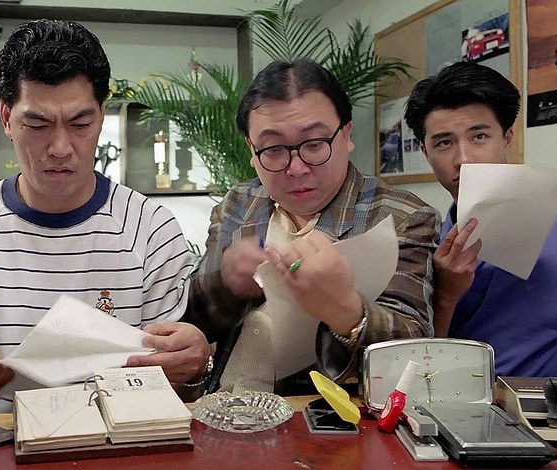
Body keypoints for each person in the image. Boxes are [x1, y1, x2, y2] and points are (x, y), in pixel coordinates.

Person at [0, 19, 210, 413]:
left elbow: (174, 390)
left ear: (101, 117)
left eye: (80, 125)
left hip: (120, 435)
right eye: (37, 125)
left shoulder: (150, 228)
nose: (60, 147)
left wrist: (191, 368)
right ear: (6, 118)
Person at [184, 58, 438, 395]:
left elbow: (415, 352)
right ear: (252, 149)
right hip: (222, 407)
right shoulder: (239, 205)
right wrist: (226, 282)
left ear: (346, 135)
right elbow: (193, 321)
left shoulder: (400, 216)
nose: (296, 168)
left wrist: (347, 310)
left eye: (315, 144)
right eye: (273, 149)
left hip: (320, 416)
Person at [404, 61, 557, 377]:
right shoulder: (423, 244)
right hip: (468, 400)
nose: (464, 159)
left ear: (507, 138)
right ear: (425, 152)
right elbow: (422, 367)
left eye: (480, 136)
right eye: (444, 143)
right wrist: (446, 295)